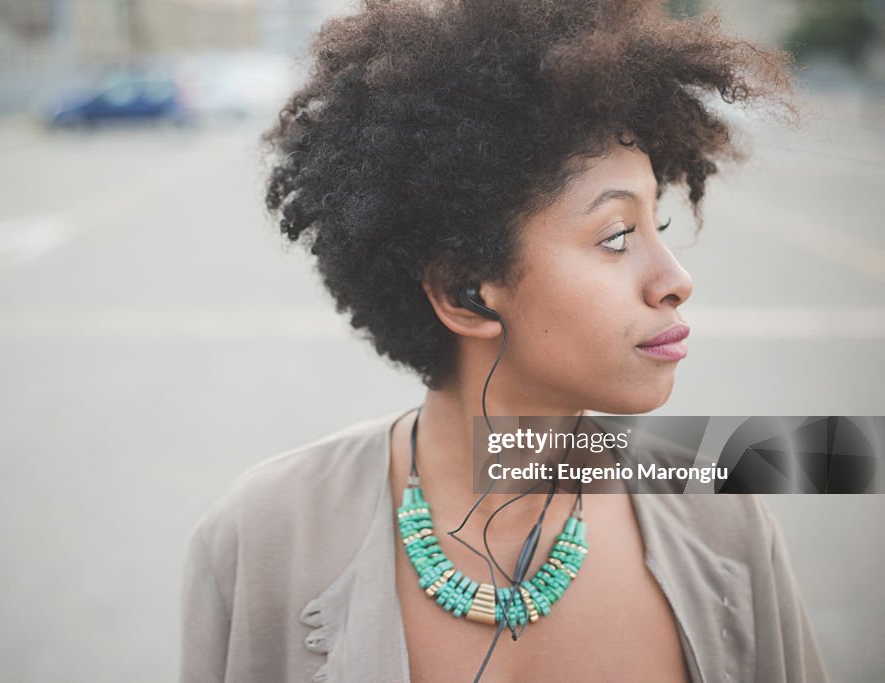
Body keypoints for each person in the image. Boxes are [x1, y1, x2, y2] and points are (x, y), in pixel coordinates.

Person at [180, 1, 829, 681]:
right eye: (616, 236)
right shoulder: (264, 539)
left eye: (659, 225)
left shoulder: (721, 515)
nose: (675, 280)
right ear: (466, 291)